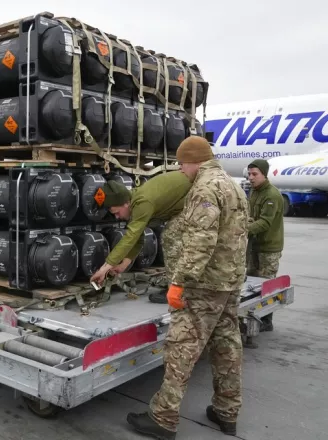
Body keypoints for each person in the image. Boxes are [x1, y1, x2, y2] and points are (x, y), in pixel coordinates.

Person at [127, 136, 249, 439]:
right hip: (229, 281)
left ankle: (163, 418)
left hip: (204, 285)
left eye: (182, 164)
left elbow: (201, 241)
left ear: (194, 160)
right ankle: (227, 411)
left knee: (182, 349)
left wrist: (179, 282)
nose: (182, 171)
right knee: (227, 346)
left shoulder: (205, 188)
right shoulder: (233, 185)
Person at [89, 171, 192, 303]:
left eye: (117, 212)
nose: (117, 217)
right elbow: (138, 236)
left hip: (198, 199)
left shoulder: (142, 202)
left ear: (126, 203)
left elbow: (131, 237)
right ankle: (179, 287)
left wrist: (104, 268)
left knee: (171, 238)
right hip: (185, 204)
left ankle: (179, 290)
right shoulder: (135, 201)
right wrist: (123, 265)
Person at [246, 159, 284, 333]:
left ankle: (267, 320)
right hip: (255, 245)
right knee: (252, 284)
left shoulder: (271, 195)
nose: (251, 178)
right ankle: (253, 317)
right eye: (249, 174)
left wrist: (242, 230)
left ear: (264, 174)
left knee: (266, 285)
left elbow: (265, 223)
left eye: (255, 174)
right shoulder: (255, 192)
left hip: (269, 248)